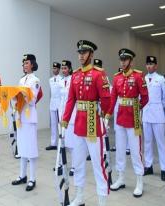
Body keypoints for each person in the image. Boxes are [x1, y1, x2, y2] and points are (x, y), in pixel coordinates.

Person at [62, 40, 110, 206]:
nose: (81, 55)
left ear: (91, 54)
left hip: (93, 122)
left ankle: (102, 200)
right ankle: (80, 196)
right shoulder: (75, 75)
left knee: (98, 165)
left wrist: (104, 116)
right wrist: (65, 120)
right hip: (79, 124)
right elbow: (70, 100)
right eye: (79, 52)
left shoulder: (99, 74)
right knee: (78, 162)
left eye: (84, 52)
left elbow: (106, 99)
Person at [105, 48, 148, 197]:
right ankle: (121, 178)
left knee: (136, 151)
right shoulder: (117, 77)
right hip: (120, 118)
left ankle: (139, 181)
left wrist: (137, 108)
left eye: (125, 60)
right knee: (120, 150)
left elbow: (145, 97)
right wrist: (107, 114)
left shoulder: (138, 76)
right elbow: (113, 98)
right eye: (121, 60)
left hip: (133, 117)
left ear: (131, 60)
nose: (122, 62)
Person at [11, 54, 41, 191]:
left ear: (33, 64)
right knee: (22, 147)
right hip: (20, 116)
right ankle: (22, 175)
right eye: (23, 63)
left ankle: (32, 178)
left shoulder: (35, 80)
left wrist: (22, 93)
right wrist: (13, 99)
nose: (24, 65)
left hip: (29, 116)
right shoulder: (21, 79)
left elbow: (33, 99)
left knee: (31, 149)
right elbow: (17, 98)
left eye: (27, 62)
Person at [142, 56, 165, 181]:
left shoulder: (160, 79)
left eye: (151, 64)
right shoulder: (142, 78)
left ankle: (164, 169)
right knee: (147, 142)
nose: (149, 66)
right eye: (147, 64)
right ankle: (148, 166)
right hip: (146, 115)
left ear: (156, 66)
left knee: (161, 143)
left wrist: (159, 105)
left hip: (158, 115)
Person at [59, 60, 76, 176]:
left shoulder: (73, 80)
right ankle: (60, 164)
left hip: (71, 114)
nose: (64, 70)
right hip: (61, 113)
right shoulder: (60, 81)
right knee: (62, 141)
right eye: (62, 68)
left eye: (65, 68)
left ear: (70, 69)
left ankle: (74, 166)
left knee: (72, 143)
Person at [46, 62, 62, 150]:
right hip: (52, 103)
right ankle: (53, 143)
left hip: (59, 104)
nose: (54, 70)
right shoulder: (50, 79)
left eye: (56, 68)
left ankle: (62, 143)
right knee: (53, 124)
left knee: (60, 124)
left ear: (59, 69)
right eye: (53, 68)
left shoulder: (62, 79)